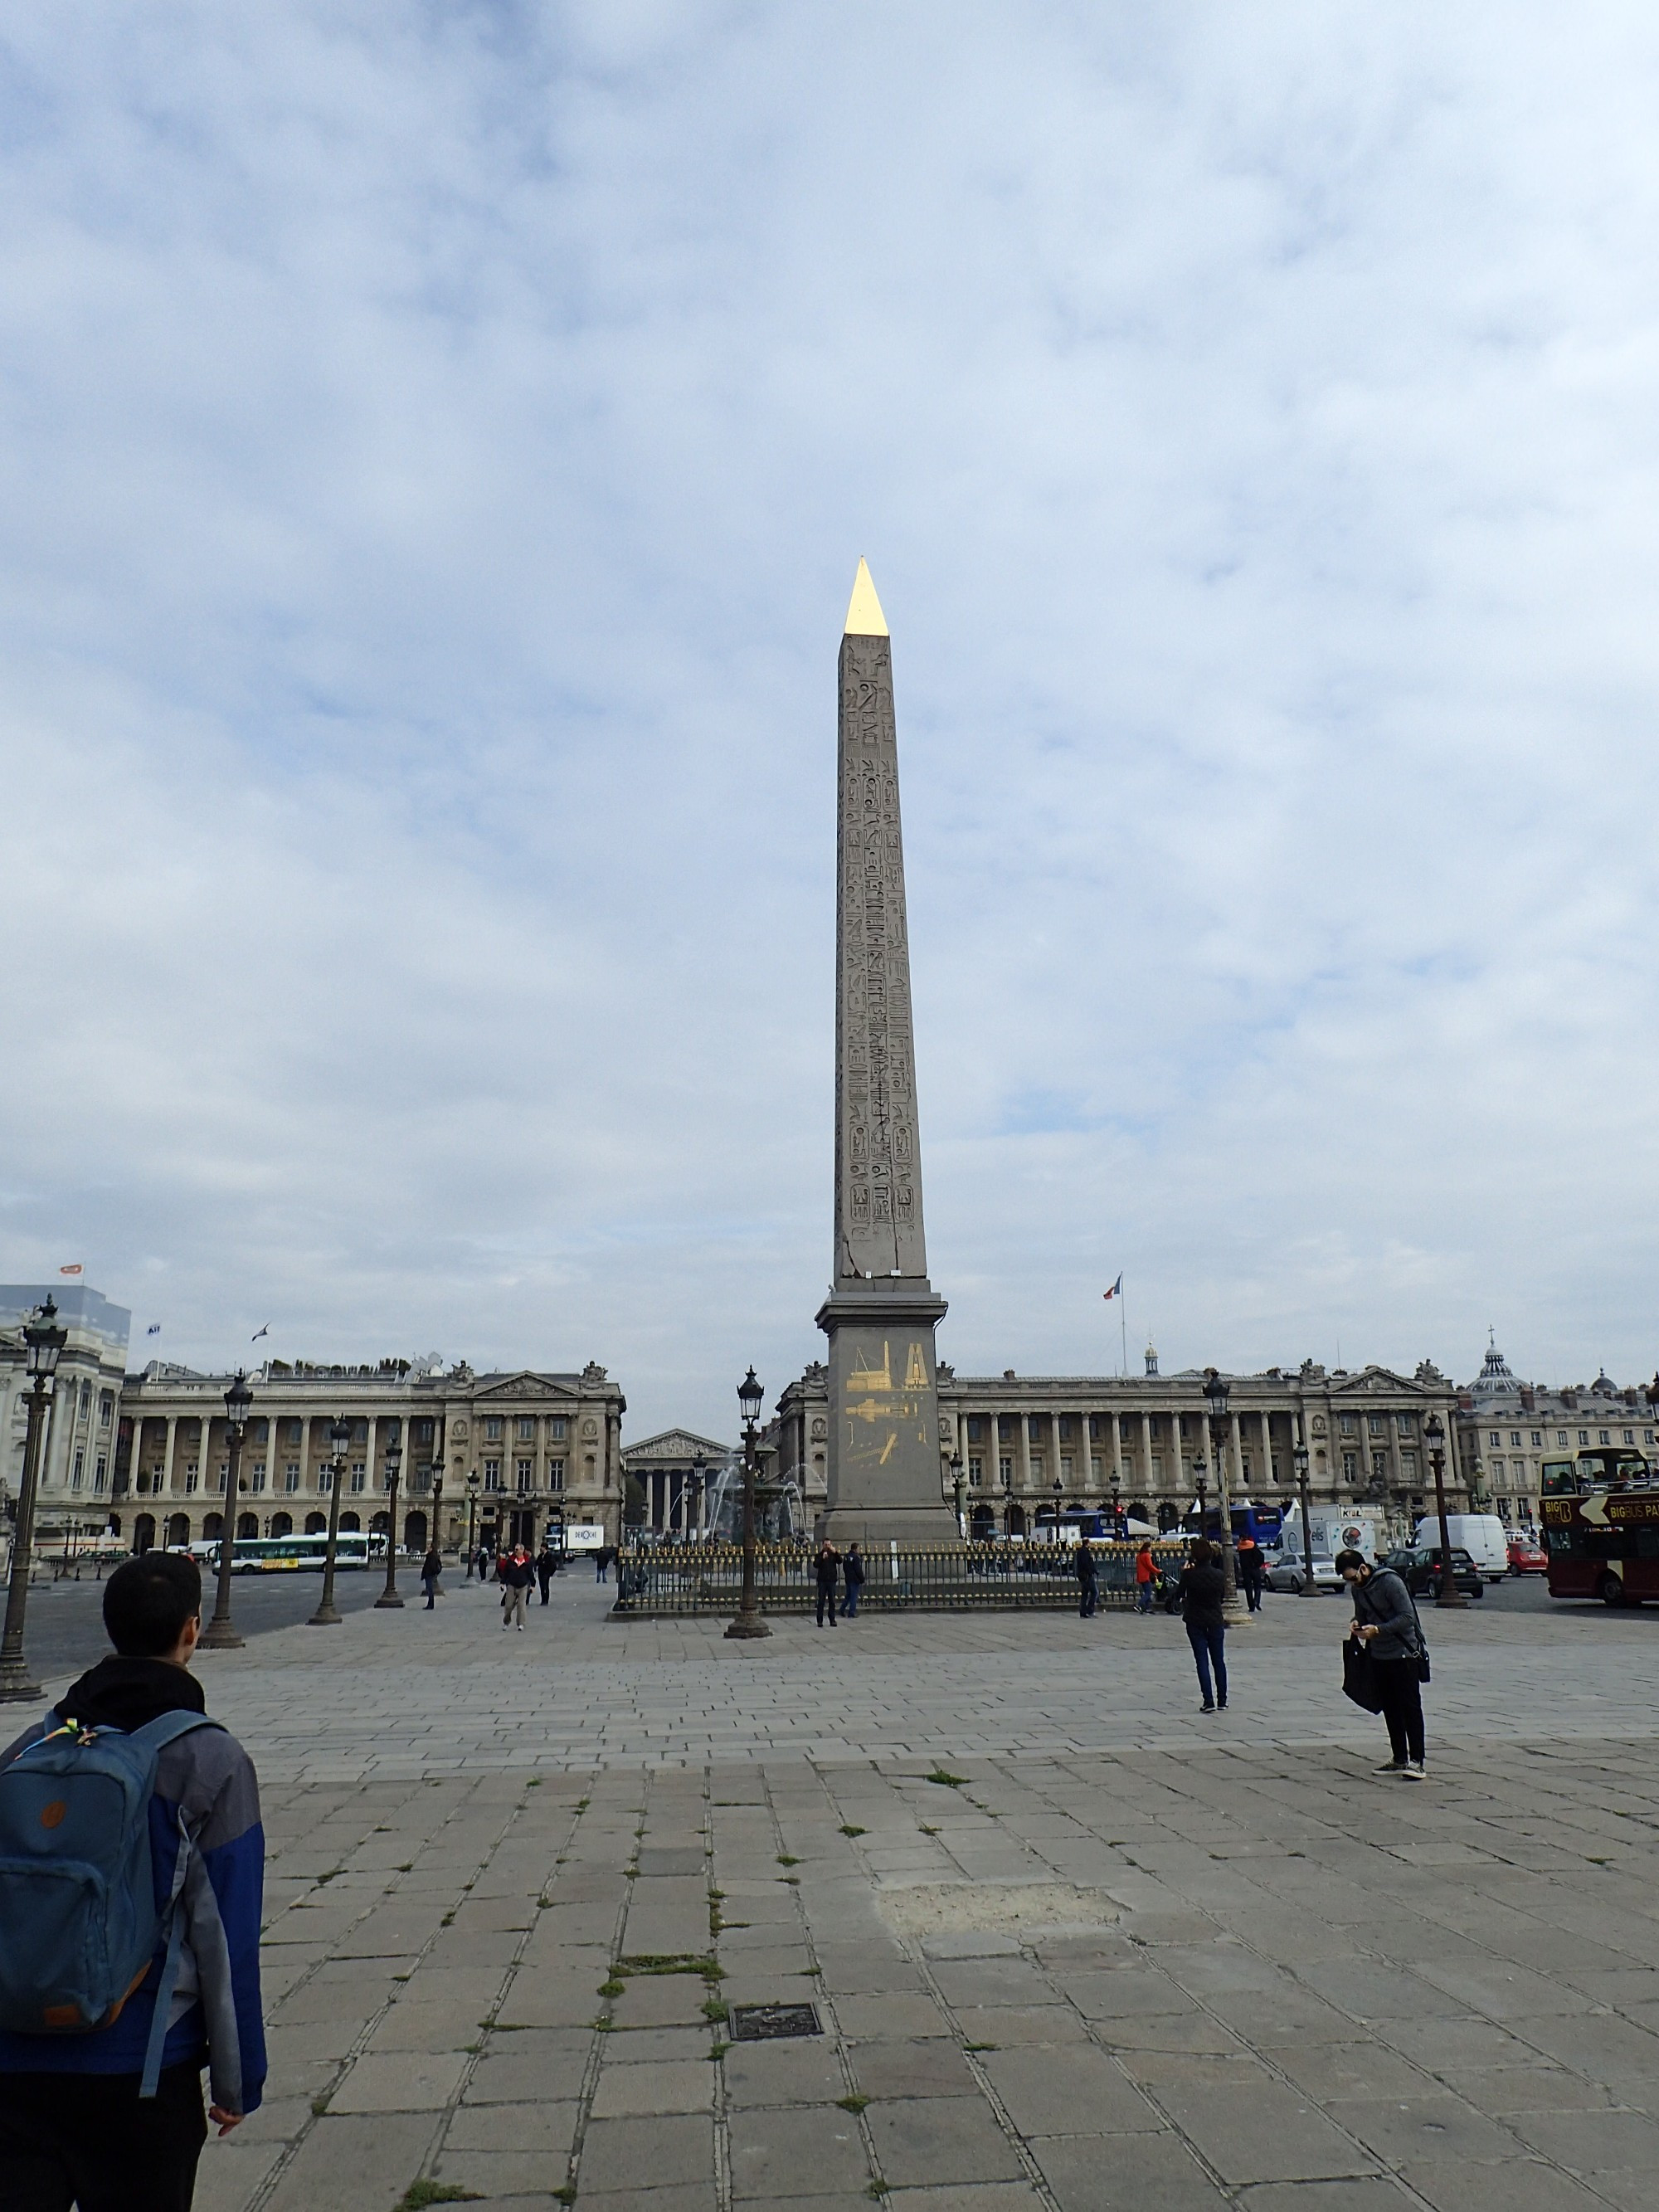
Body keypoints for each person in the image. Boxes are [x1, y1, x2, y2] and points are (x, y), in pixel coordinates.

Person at [0, 1552, 266, 2212]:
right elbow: (226, 1941)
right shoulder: (211, 1759)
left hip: (17, 2053)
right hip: (142, 2064)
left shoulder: (33, 1746)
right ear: (192, 1631)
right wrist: (239, 2078)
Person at [1339, 1548, 1428, 1778]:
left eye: (1353, 1578)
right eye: (1347, 1581)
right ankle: (1399, 1758)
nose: (1352, 1583)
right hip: (1378, 1654)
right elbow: (1361, 1614)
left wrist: (1379, 1629)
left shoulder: (1389, 1582)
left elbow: (1407, 1617)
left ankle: (1417, 1760)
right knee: (1390, 1708)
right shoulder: (1358, 1590)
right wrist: (1356, 1623)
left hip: (1403, 1653)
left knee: (1410, 1707)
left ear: (1363, 1568)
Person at [1180, 1538, 1228, 1713]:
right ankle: (1222, 1700)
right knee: (1218, 1661)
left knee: (1202, 1661)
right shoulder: (1219, 1575)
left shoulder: (1189, 1575)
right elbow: (1221, 1597)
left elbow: (1178, 1594)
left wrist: (1184, 1571)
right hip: (1215, 1619)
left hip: (1195, 1620)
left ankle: (1208, 1701)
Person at [500, 1546, 534, 1630]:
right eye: (515, 1549)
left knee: (521, 1606)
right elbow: (505, 1573)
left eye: (517, 1549)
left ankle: (521, 1623)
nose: (515, 1551)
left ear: (522, 1550)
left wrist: (533, 1585)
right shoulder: (510, 1561)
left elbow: (531, 1574)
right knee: (508, 1605)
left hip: (523, 1586)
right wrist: (502, 1583)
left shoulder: (527, 1562)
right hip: (511, 1585)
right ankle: (506, 1622)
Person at [814, 1541, 841, 1628]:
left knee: (832, 1601)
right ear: (823, 1545)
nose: (827, 1546)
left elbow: (840, 1561)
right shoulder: (819, 1555)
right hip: (822, 1581)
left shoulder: (833, 1555)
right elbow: (816, 1564)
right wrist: (822, 1558)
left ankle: (832, 1619)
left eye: (829, 1545)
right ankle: (820, 1620)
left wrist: (836, 1552)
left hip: (831, 1581)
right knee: (821, 1601)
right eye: (826, 1545)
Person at [1237, 1535, 1264, 1614]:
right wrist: (1257, 1564)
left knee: (1248, 1588)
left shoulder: (1240, 1547)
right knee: (1257, 1586)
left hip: (1246, 1570)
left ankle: (1251, 1606)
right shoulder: (1252, 1545)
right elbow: (1260, 1555)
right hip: (1255, 1568)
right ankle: (1256, 1601)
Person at [1075, 1537, 1098, 1620]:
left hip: (1082, 1574)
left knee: (1085, 1594)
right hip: (1087, 1575)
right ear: (1087, 1543)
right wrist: (1091, 1571)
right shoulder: (1085, 1551)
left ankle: (1083, 1612)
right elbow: (1086, 1563)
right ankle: (1089, 1610)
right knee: (1094, 1592)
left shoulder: (1080, 1551)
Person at [842, 1542, 865, 1619]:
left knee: (848, 1596)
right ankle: (852, 1612)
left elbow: (844, 1568)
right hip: (855, 1579)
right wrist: (862, 1579)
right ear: (855, 1549)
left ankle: (842, 1609)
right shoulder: (855, 1557)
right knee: (853, 1597)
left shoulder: (846, 1557)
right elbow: (858, 1570)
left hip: (848, 1578)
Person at [1134, 1540, 1156, 1615]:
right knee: (1148, 1592)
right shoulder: (1147, 1555)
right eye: (1150, 1548)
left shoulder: (1139, 1556)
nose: (1151, 1549)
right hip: (1145, 1576)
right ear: (1147, 1548)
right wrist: (1158, 1571)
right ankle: (1139, 1604)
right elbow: (1150, 1566)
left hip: (1140, 1576)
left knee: (1146, 1591)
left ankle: (1147, 1608)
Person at [420, 1545, 443, 1610]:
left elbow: (431, 1566)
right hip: (429, 1574)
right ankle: (430, 1605)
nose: (427, 1548)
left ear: (431, 1548)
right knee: (429, 1590)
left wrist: (430, 1573)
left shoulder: (431, 1556)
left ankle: (430, 1605)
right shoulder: (432, 1555)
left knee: (430, 1590)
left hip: (429, 1575)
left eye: (428, 1548)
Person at [535, 1541, 557, 1605]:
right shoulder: (540, 1555)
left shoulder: (549, 1555)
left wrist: (550, 1573)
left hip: (546, 1574)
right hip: (541, 1574)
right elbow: (537, 1562)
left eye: (541, 1547)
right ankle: (543, 1600)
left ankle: (546, 1600)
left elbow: (553, 1565)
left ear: (545, 1548)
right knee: (542, 1587)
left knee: (546, 1586)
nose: (540, 1548)